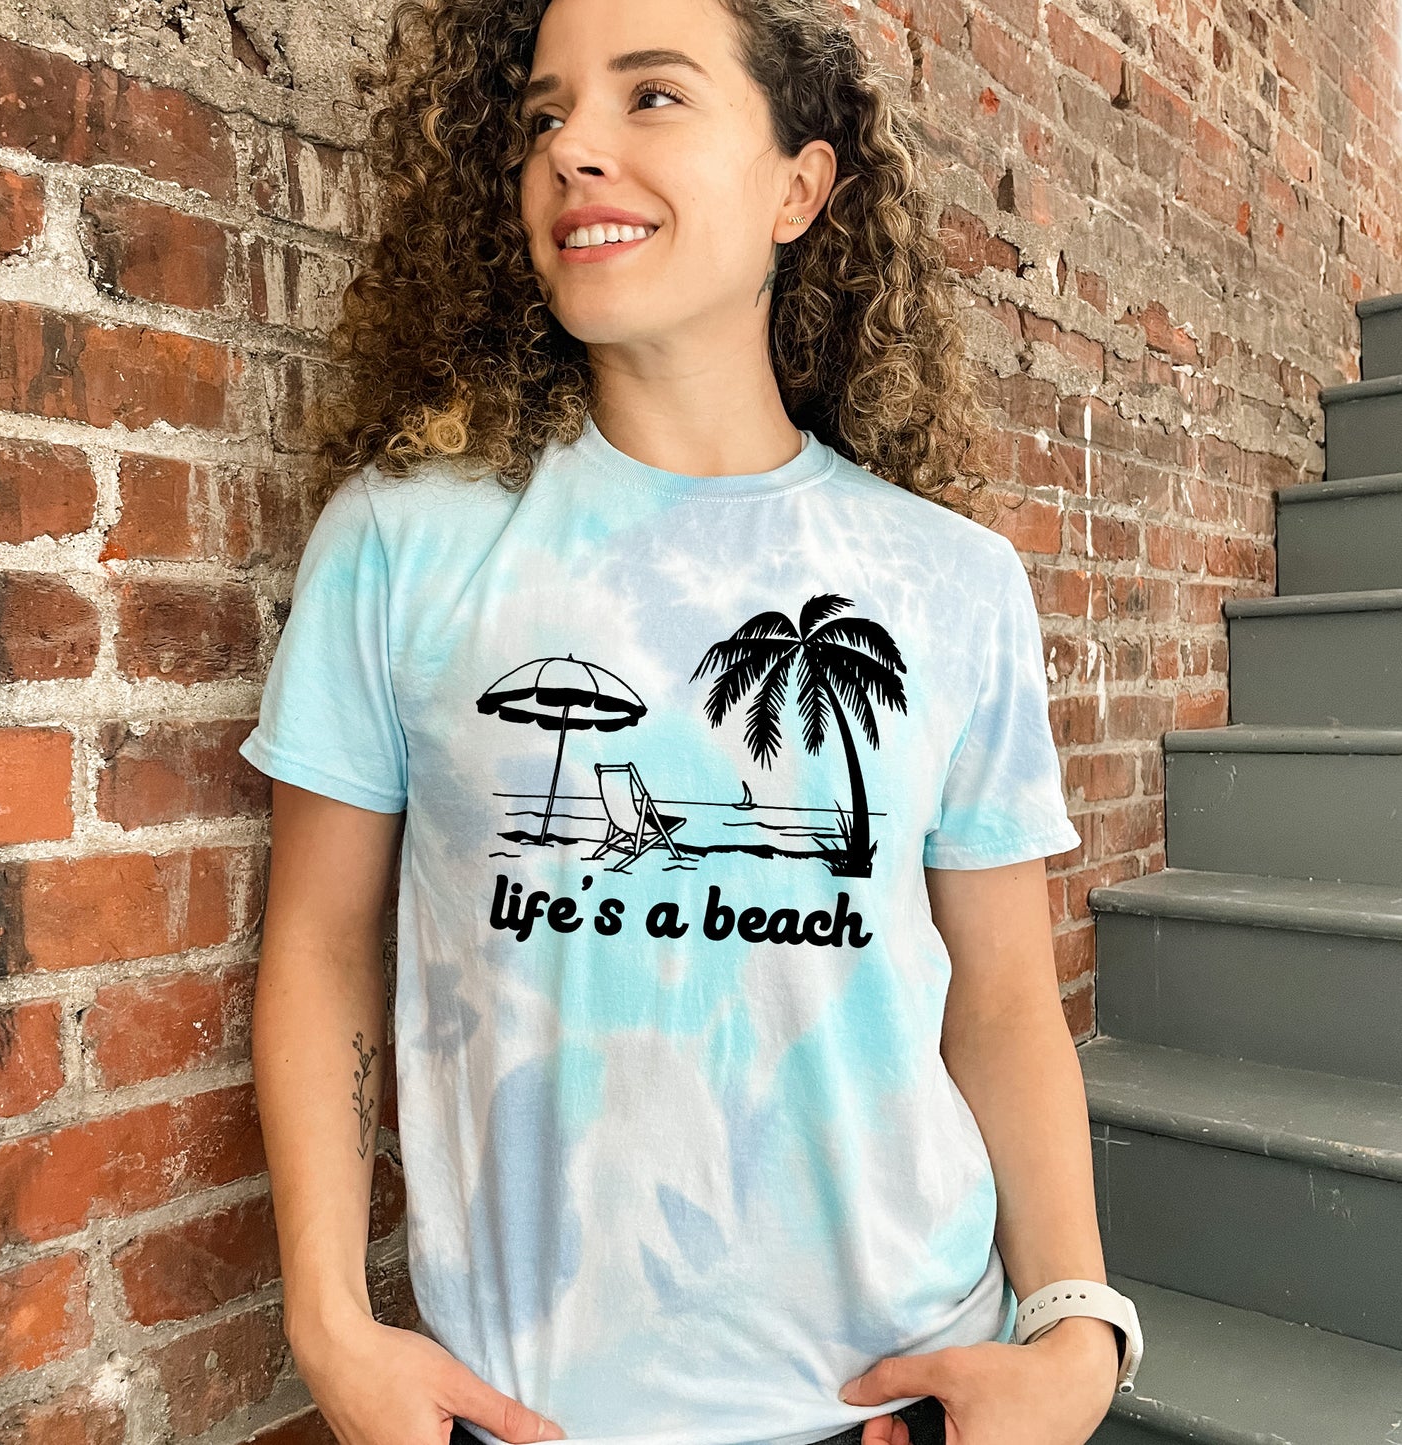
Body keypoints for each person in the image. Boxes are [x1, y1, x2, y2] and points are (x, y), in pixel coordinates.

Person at [239, 1, 1129, 1443]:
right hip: (527, 1412)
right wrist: (331, 1323)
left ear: (799, 186)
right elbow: (324, 946)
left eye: (651, 98)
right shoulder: (402, 540)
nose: (572, 149)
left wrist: (1076, 1328)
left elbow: (1004, 1000)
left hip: (905, 1401)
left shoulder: (953, 580)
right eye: (542, 117)